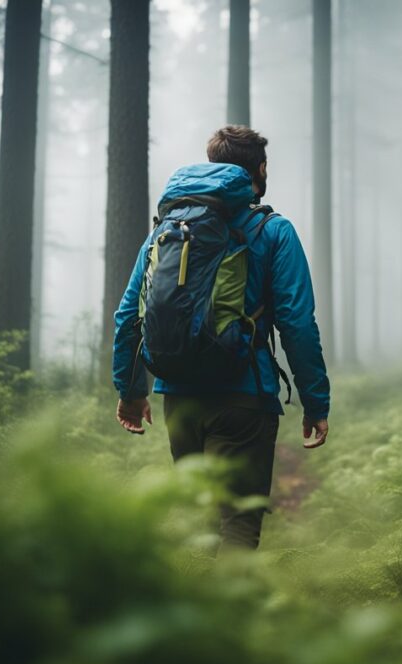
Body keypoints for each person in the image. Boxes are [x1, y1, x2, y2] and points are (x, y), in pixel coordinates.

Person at [110, 125, 330, 549]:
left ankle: (198, 609)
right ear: (259, 170)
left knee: (202, 524)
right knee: (238, 526)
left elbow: (128, 316)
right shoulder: (273, 231)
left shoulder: (165, 230)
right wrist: (315, 401)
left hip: (179, 398)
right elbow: (297, 323)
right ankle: (230, 612)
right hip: (244, 397)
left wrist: (131, 391)